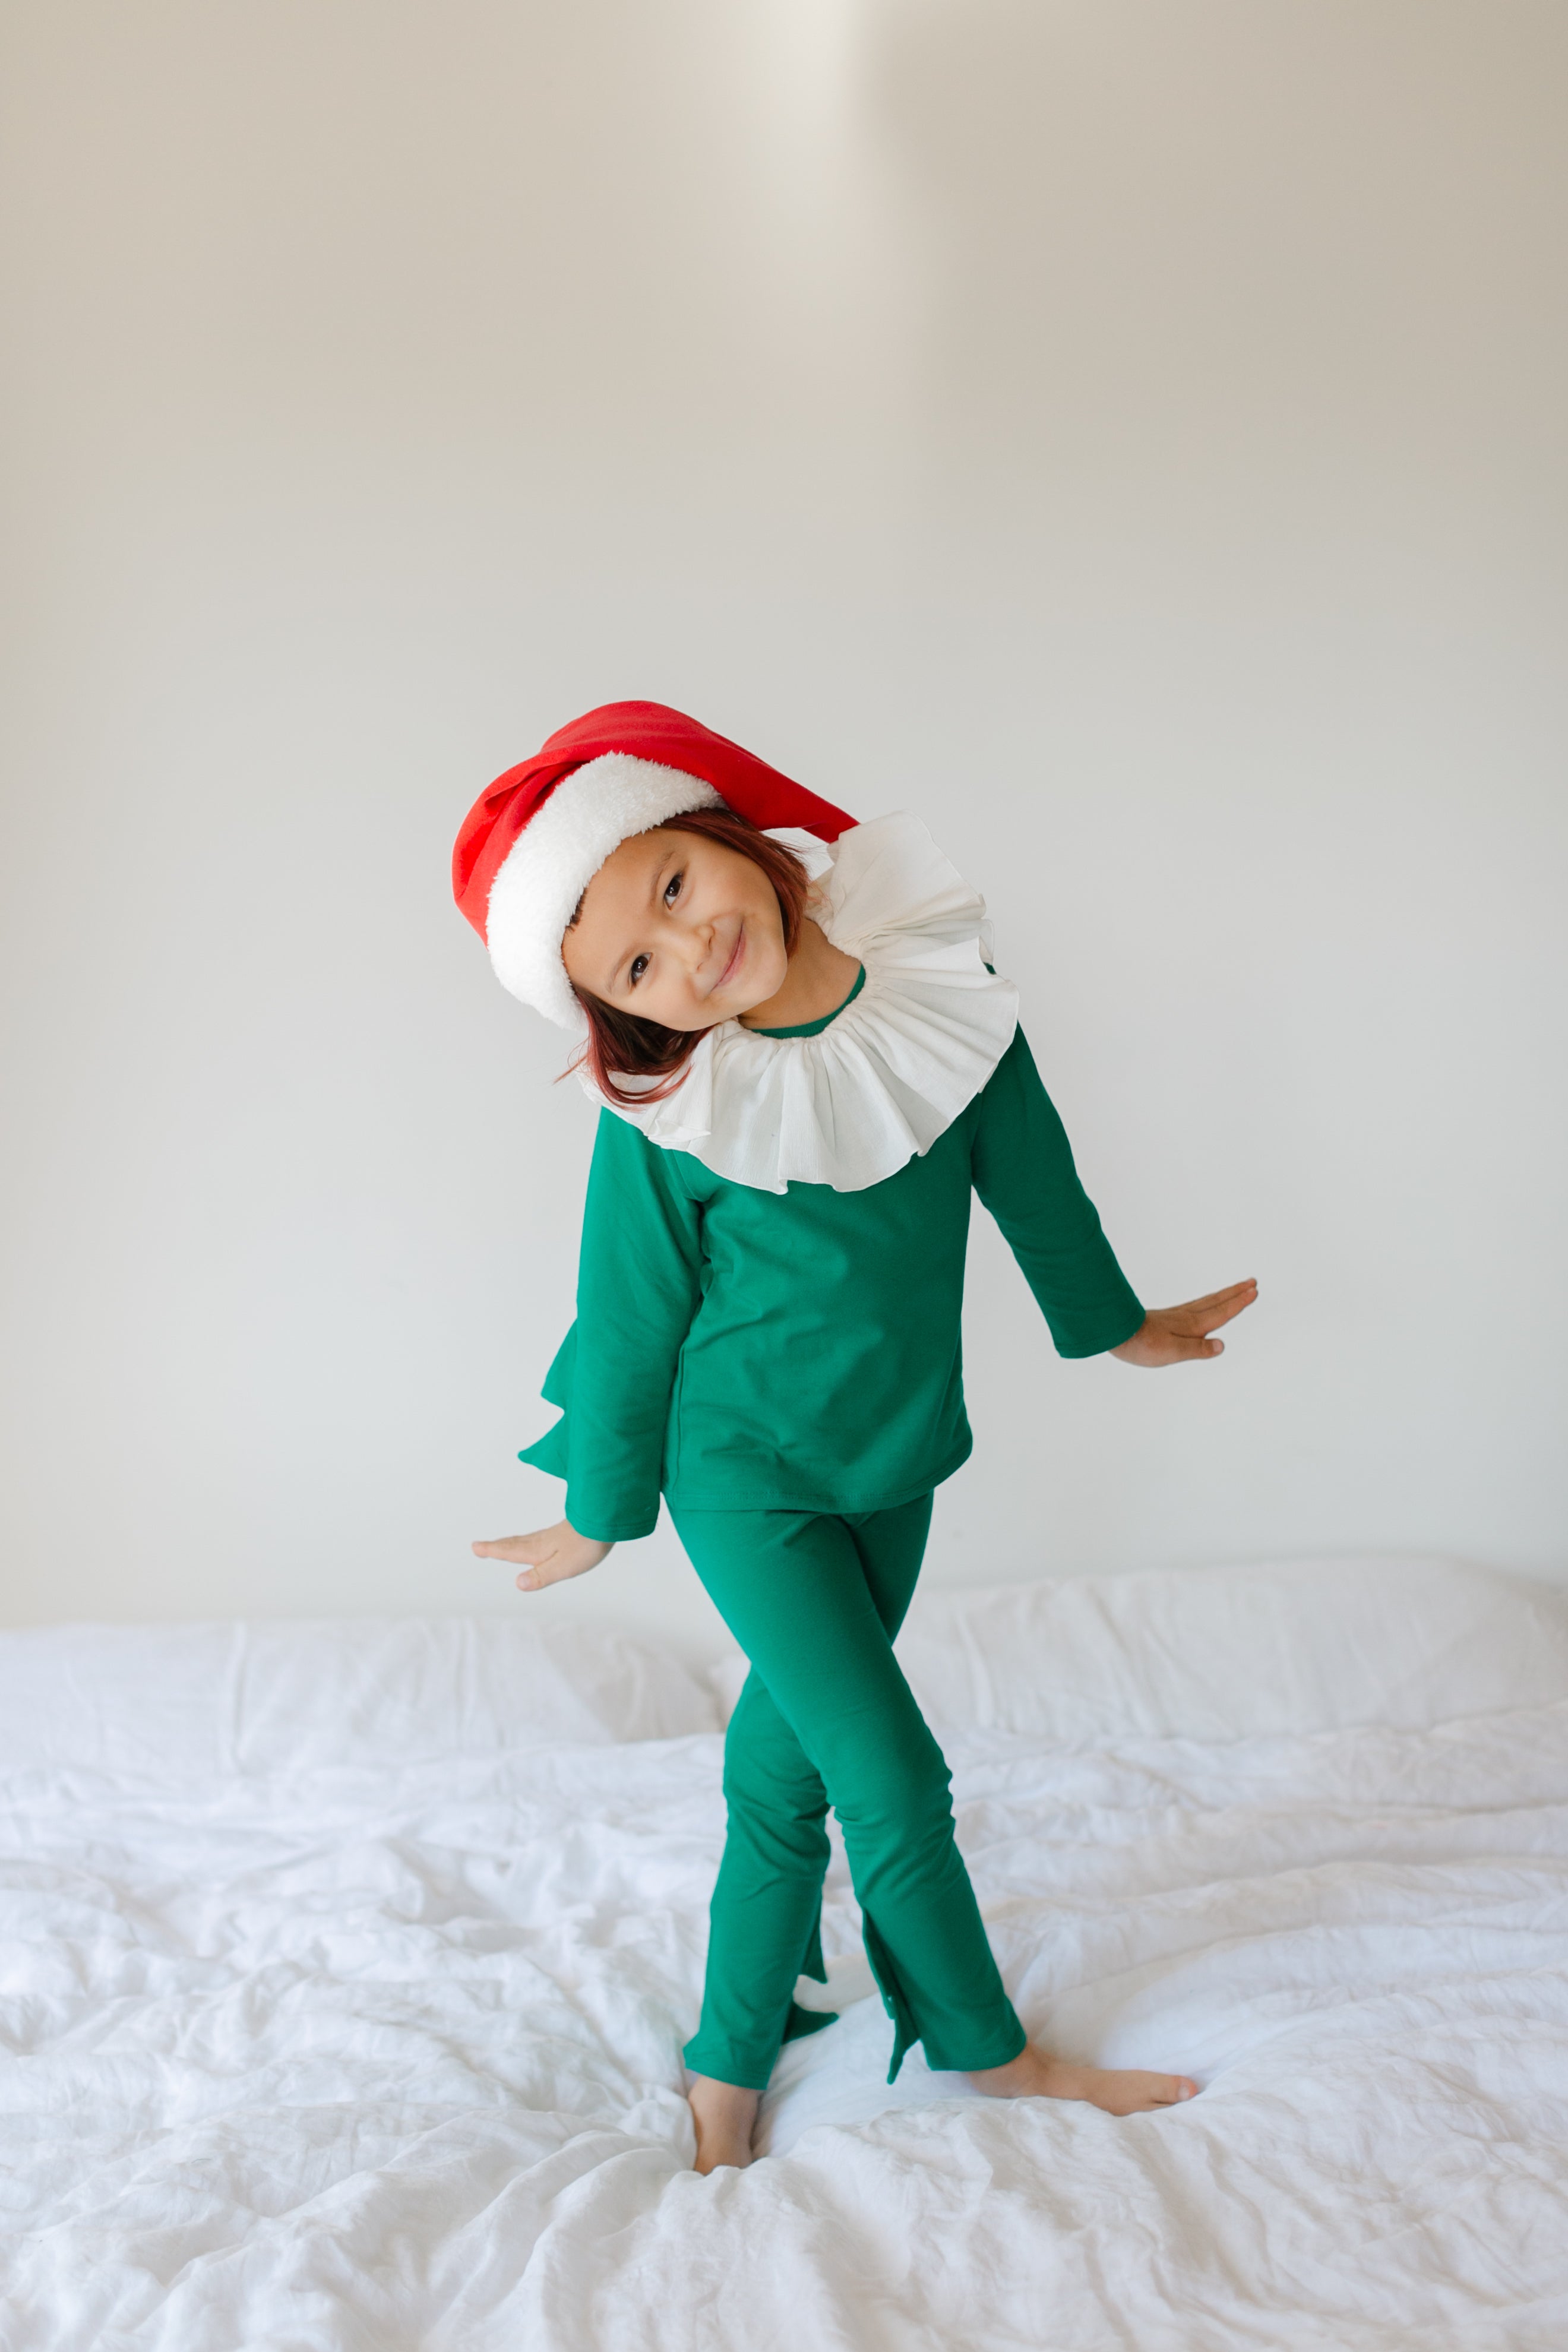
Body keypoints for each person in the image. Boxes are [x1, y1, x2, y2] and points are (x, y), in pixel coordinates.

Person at [453, 700, 1257, 2173]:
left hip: (896, 1459)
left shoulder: (942, 996)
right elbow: (630, 1321)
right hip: (740, 1478)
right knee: (893, 1777)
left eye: (678, 892)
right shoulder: (673, 1116)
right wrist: (598, 1506)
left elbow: (1033, 1172)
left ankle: (725, 2057)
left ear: (724, 839)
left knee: (786, 1773)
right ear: (630, 1011)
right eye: (639, 964)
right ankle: (990, 2051)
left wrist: (1120, 1322)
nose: (689, 950)